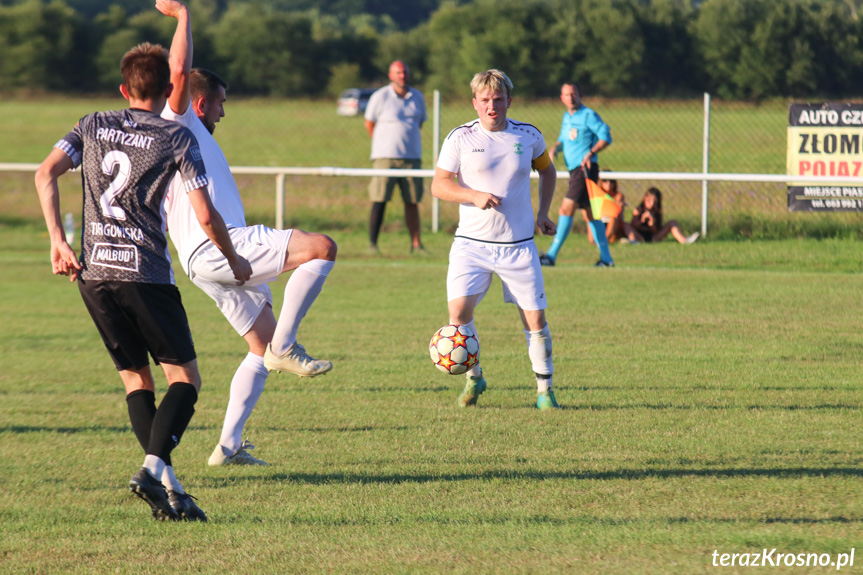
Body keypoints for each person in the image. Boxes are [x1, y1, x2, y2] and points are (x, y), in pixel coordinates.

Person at [34, 39, 252, 521]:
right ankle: (153, 470)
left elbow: (45, 173)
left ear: (123, 87)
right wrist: (234, 260)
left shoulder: (91, 124)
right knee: (186, 379)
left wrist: (57, 240)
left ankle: (171, 490)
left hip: (93, 273)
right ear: (167, 88)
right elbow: (206, 214)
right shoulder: (176, 138)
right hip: (145, 274)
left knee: (136, 380)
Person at [156, 0, 337, 468]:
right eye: (220, 102)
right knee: (320, 249)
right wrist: (184, 15)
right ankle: (287, 347)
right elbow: (179, 70)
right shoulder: (183, 123)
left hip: (200, 261)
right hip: (220, 245)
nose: (224, 111)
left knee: (258, 349)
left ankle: (228, 447)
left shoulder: (189, 138)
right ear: (199, 104)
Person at [431, 69, 560, 411]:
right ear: (475, 103)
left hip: (518, 247)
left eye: (498, 99)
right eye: (485, 100)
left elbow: (547, 170)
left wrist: (544, 213)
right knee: (457, 315)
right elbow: (439, 184)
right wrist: (472, 195)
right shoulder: (459, 138)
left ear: (508, 102)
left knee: (535, 320)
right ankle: (474, 377)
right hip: (471, 245)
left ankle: (544, 392)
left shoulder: (528, 136)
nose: (492, 106)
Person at [540, 82, 613, 267]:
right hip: (575, 172)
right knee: (591, 215)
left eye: (573, 94)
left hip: (584, 170)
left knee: (565, 209)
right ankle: (606, 259)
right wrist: (556, 147)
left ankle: (551, 256)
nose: (570, 98)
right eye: (566, 95)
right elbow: (565, 139)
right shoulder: (567, 117)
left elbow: (606, 135)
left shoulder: (588, 115)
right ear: (561, 98)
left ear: (580, 95)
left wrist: (591, 152)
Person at [364, 60, 427, 253]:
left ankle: (416, 244)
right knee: (380, 199)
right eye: (398, 72)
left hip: (411, 157)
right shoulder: (380, 96)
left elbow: (420, 123)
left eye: (405, 72)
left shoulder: (417, 97)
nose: (402, 76)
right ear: (391, 75)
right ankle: (373, 244)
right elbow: (369, 123)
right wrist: (384, 143)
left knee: (412, 201)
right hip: (385, 157)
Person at [625, 187, 700, 244]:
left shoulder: (657, 211)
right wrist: (642, 220)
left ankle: (684, 240)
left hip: (653, 237)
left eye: (654, 202)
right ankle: (633, 241)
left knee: (672, 222)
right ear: (645, 198)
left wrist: (652, 224)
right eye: (649, 201)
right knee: (625, 225)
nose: (651, 204)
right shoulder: (638, 210)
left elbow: (657, 230)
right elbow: (634, 226)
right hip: (639, 236)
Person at [586, 174, 625, 245]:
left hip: (612, 221)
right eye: (605, 180)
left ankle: (604, 240)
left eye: (611, 181)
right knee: (589, 217)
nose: (608, 183)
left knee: (613, 216)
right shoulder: (595, 194)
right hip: (599, 218)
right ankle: (594, 240)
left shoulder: (618, 195)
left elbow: (616, 210)